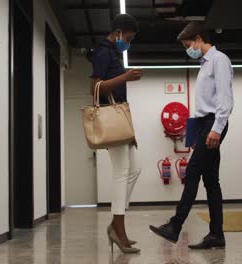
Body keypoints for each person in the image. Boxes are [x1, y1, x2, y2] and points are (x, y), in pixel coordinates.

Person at [149, 22, 234, 249]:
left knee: (193, 170)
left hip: (213, 123)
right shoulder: (204, 65)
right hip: (202, 123)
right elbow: (200, 106)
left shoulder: (219, 60)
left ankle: (175, 226)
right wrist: (193, 133)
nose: (188, 50)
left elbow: (224, 100)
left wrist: (216, 129)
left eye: (188, 45)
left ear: (198, 38)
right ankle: (217, 235)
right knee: (211, 181)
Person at [90, 14, 143, 254]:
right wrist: (125, 76)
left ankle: (115, 224)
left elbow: (120, 97)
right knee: (122, 173)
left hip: (121, 119)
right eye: (128, 38)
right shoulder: (103, 52)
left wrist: (131, 130)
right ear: (118, 32)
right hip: (111, 119)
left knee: (135, 169)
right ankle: (119, 231)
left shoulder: (115, 53)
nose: (128, 43)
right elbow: (95, 88)